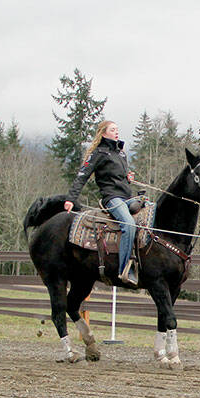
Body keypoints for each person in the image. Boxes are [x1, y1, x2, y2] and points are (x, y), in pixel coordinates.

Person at [64, 120, 139, 286]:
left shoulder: (121, 153)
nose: (116, 132)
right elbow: (82, 176)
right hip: (112, 198)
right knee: (128, 224)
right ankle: (125, 269)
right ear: (103, 133)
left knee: (147, 210)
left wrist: (128, 178)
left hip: (127, 197)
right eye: (113, 130)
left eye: (117, 129)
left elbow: (121, 176)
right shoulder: (98, 153)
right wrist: (71, 199)